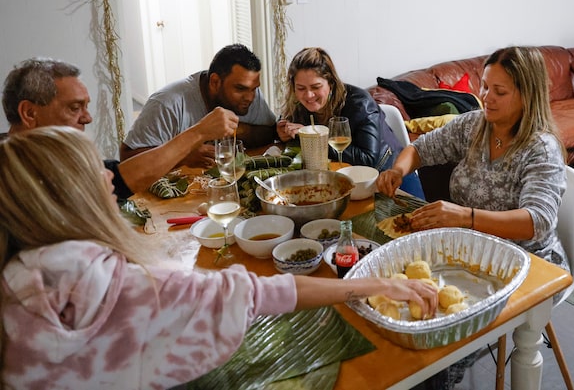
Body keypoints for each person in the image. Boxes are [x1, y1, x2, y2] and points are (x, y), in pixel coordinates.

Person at [0, 126, 438, 388]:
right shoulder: (122, 288)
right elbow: (258, 292)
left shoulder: (18, 272)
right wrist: (378, 283)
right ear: (70, 195)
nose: (108, 175)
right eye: (95, 168)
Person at [376, 46, 569, 272]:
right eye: (485, 86)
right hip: (474, 251)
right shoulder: (473, 125)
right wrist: (398, 171)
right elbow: (419, 150)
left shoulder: (542, 149)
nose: (487, 97)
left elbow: (537, 221)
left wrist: (466, 217)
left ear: (527, 96)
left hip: (528, 261)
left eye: (500, 91)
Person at [1, 58, 237, 199]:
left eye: (86, 107)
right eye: (74, 108)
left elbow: (120, 176)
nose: (87, 118)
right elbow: (121, 180)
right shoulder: (12, 175)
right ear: (30, 113)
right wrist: (199, 132)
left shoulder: (57, 155)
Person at [277, 47, 424, 197]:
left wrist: (315, 139)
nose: (308, 95)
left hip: (388, 178)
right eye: (300, 88)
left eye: (316, 87)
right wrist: (282, 132)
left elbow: (368, 159)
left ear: (331, 83)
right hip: (343, 182)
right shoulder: (296, 104)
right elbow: (284, 125)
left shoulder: (360, 104)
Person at [121, 44, 277, 166]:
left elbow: (271, 133)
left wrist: (237, 130)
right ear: (215, 82)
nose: (250, 98)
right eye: (240, 89)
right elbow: (127, 158)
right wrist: (182, 155)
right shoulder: (167, 103)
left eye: (254, 89)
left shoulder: (250, 95)